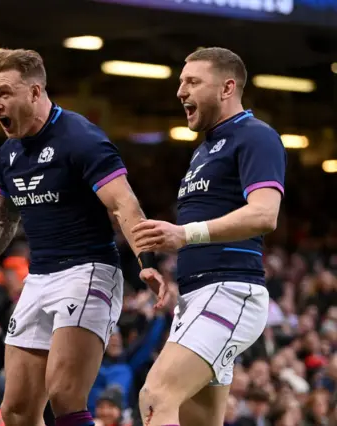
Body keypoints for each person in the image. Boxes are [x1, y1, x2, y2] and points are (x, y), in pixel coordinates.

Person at [0, 48, 166, 426]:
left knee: (64, 395)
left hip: (89, 271)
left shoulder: (81, 138)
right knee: (16, 410)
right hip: (40, 278)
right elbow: (1, 219)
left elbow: (124, 205)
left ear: (36, 92)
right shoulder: (7, 154)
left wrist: (146, 263)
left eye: (4, 93)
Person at [131, 47, 286, 426]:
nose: (180, 92)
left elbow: (265, 214)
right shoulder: (203, 150)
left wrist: (185, 234)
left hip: (230, 292)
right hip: (198, 295)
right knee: (195, 419)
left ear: (227, 87)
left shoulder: (256, 136)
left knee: (156, 396)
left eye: (192, 82)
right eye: (181, 82)